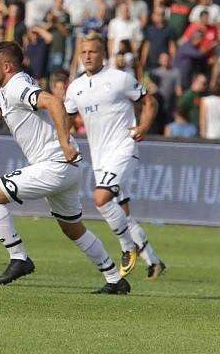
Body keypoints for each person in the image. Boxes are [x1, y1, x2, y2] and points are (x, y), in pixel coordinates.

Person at [0, 41, 128, 294]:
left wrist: (64, 142)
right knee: (72, 228)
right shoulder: (7, 91)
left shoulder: (18, 86)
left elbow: (54, 103)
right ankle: (115, 279)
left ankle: (19, 257)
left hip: (55, 163)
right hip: (63, 167)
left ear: (7, 66)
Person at [64, 34, 167, 280]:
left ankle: (127, 247)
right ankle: (152, 260)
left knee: (101, 198)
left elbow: (149, 101)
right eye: (84, 52)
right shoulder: (75, 87)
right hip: (99, 158)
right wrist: (60, 141)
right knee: (121, 211)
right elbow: (66, 120)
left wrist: (142, 128)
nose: (87, 56)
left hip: (123, 149)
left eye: (93, 52)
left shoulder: (119, 79)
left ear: (103, 55)